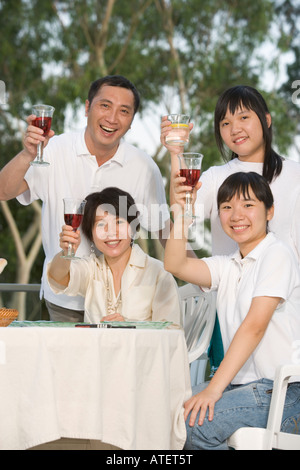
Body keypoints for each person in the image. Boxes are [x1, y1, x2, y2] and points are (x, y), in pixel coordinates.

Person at [0, 75, 170, 321]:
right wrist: (28, 153)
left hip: (120, 306)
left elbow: (164, 229)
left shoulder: (144, 166)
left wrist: (203, 277)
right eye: (104, 105)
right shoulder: (54, 150)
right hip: (62, 300)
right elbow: (4, 191)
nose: (112, 118)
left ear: (132, 121)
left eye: (124, 111)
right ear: (87, 107)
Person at [161, 85, 300, 371]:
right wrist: (177, 153)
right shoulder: (215, 178)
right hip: (230, 311)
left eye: (243, 118)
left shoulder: (295, 175)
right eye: (225, 123)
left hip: (284, 311)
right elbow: (182, 208)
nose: (234, 128)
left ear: (267, 119)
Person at [164, 171, 300, 450]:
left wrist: (213, 389)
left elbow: (254, 327)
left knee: (193, 426)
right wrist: (181, 215)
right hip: (242, 388)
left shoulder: (277, 254)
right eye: (227, 207)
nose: (236, 214)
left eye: (248, 205)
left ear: (270, 210)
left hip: (284, 393)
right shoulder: (229, 265)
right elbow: (176, 265)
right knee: (161, 413)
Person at [48, 187, 181, 325]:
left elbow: (171, 331)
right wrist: (66, 252)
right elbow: (58, 278)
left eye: (118, 222)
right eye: (101, 224)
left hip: (140, 347)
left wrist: (129, 327)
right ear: (91, 234)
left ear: (133, 226)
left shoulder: (158, 273)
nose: (111, 231)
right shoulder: (91, 268)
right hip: (95, 346)